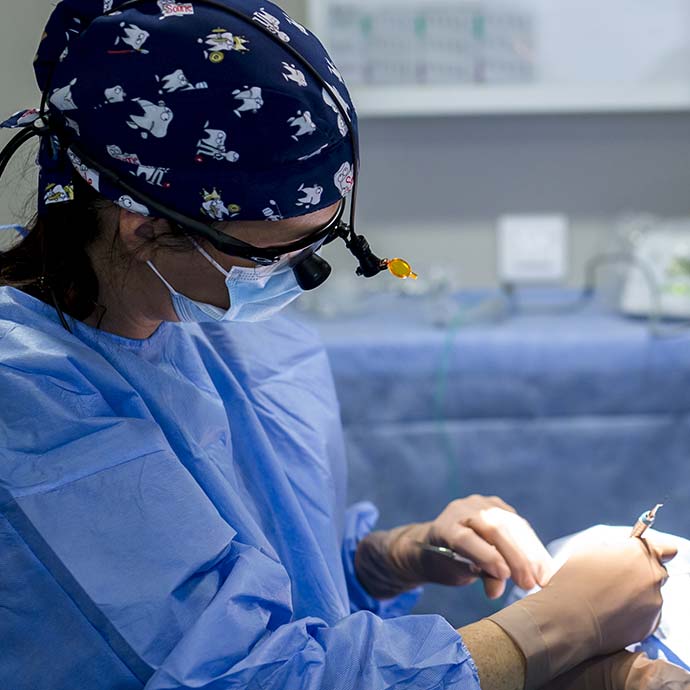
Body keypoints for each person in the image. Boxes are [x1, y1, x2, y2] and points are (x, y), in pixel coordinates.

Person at [0, 1, 688, 688]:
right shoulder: (30, 411)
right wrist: (557, 626)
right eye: (275, 254)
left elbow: (265, 586)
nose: (290, 279)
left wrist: (391, 558)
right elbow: (247, 675)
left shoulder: (212, 336)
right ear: (142, 228)